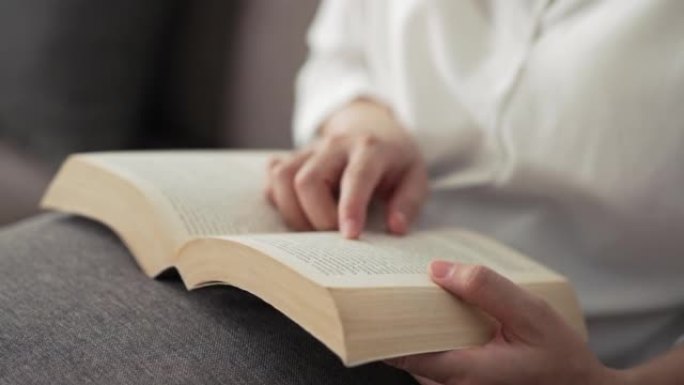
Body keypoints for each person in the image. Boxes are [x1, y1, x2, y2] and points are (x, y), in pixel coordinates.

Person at [265, 0, 684, 383]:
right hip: (331, 292)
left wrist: (603, 383)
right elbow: (339, 55)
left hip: (593, 363)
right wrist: (364, 125)